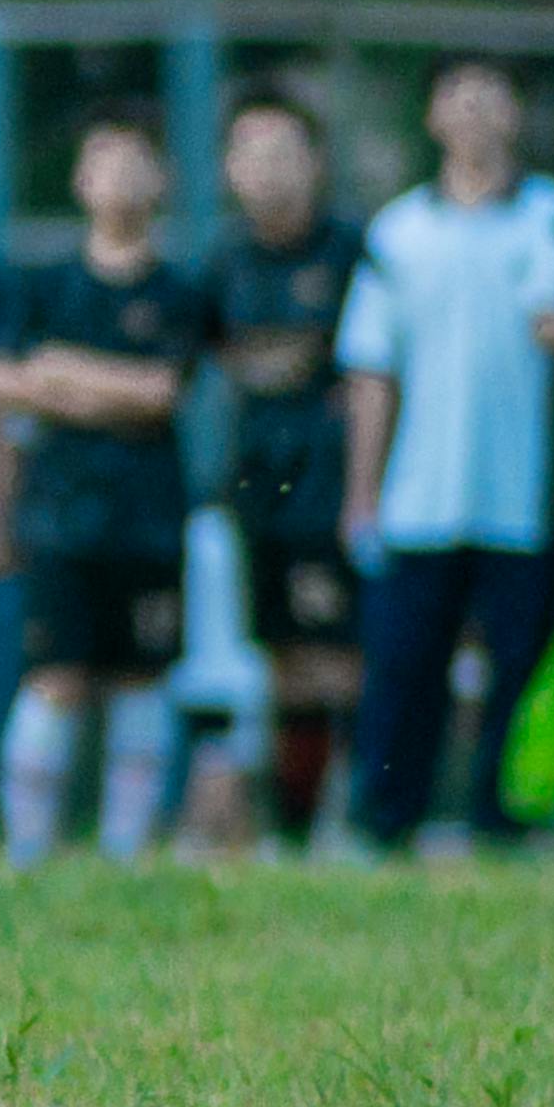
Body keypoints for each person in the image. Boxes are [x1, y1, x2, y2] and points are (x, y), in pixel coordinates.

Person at [338, 57, 554, 858]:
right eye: (457, 100)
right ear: (432, 118)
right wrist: (362, 493)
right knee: (403, 670)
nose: (473, 115)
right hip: (419, 495)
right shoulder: (399, 231)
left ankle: (505, 824)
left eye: (490, 99)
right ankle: (385, 822)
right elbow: (372, 371)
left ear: (515, 117)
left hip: (523, 496)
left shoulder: (548, 215)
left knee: (519, 668)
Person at [0, 114, 211, 866]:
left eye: (137, 162)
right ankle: (27, 853)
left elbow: (159, 392)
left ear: (163, 183)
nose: (120, 178)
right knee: (56, 675)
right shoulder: (43, 284)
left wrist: (58, 376)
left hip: (147, 513)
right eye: (103, 161)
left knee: (142, 674)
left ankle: (124, 852)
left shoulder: (179, 290)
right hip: (58, 513)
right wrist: (101, 387)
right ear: (80, 183)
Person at [198, 94, 367, 850]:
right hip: (256, 491)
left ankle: (360, 819)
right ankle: (293, 831)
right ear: (229, 169)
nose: (267, 169)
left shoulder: (352, 254)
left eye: (283, 151)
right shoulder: (224, 264)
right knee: (281, 662)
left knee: (343, 659)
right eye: (250, 153)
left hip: (334, 490)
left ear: (315, 161)